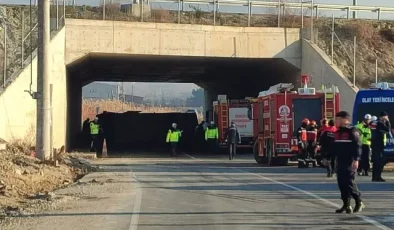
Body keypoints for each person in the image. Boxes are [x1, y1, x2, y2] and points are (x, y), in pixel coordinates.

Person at [324, 111, 364, 214]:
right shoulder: (337, 132)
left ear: (344, 119)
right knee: (341, 184)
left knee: (349, 182)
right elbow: (334, 147)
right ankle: (346, 205)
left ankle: (359, 201)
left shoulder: (353, 131)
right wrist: (327, 157)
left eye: (337, 119)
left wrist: (356, 159)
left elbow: (358, 146)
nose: (335, 121)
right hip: (340, 161)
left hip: (350, 161)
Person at [370, 111, 391, 182]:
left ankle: (374, 177)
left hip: (373, 143)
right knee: (379, 161)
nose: (387, 118)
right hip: (379, 144)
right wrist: (387, 121)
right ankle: (378, 177)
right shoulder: (380, 123)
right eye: (386, 117)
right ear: (383, 116)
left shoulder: (373, 122)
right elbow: (388, 130)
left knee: (375, 161)